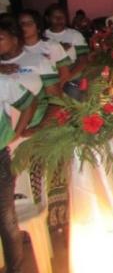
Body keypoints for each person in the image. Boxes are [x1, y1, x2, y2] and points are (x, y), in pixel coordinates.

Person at [0, 19, 40, 273]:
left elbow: (29, 102)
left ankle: (14, 268)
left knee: (6, 220)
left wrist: (16, 133)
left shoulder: (3, 81)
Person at [0, 15, 59, 128]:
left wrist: (39, 128)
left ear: (15, 39)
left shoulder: (38, 60)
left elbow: (56, 101)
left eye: (0, 39)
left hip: (32, 125)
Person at [44, 4, 90, 100]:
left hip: (72, 71)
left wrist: (67, 77)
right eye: (55, 17)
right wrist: (59, 49)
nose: (59, 19)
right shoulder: (43, 36)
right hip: (50, 73)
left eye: (62, 17)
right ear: (48, 19)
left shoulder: (74, 35)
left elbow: (83, 60)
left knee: (74, 92)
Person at [19, 9, 72, 87]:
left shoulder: (52, 46)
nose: (24, 27)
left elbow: (64, 73)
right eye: (21, 23)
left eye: (29, 23)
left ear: (38, 27)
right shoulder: (16, 49)